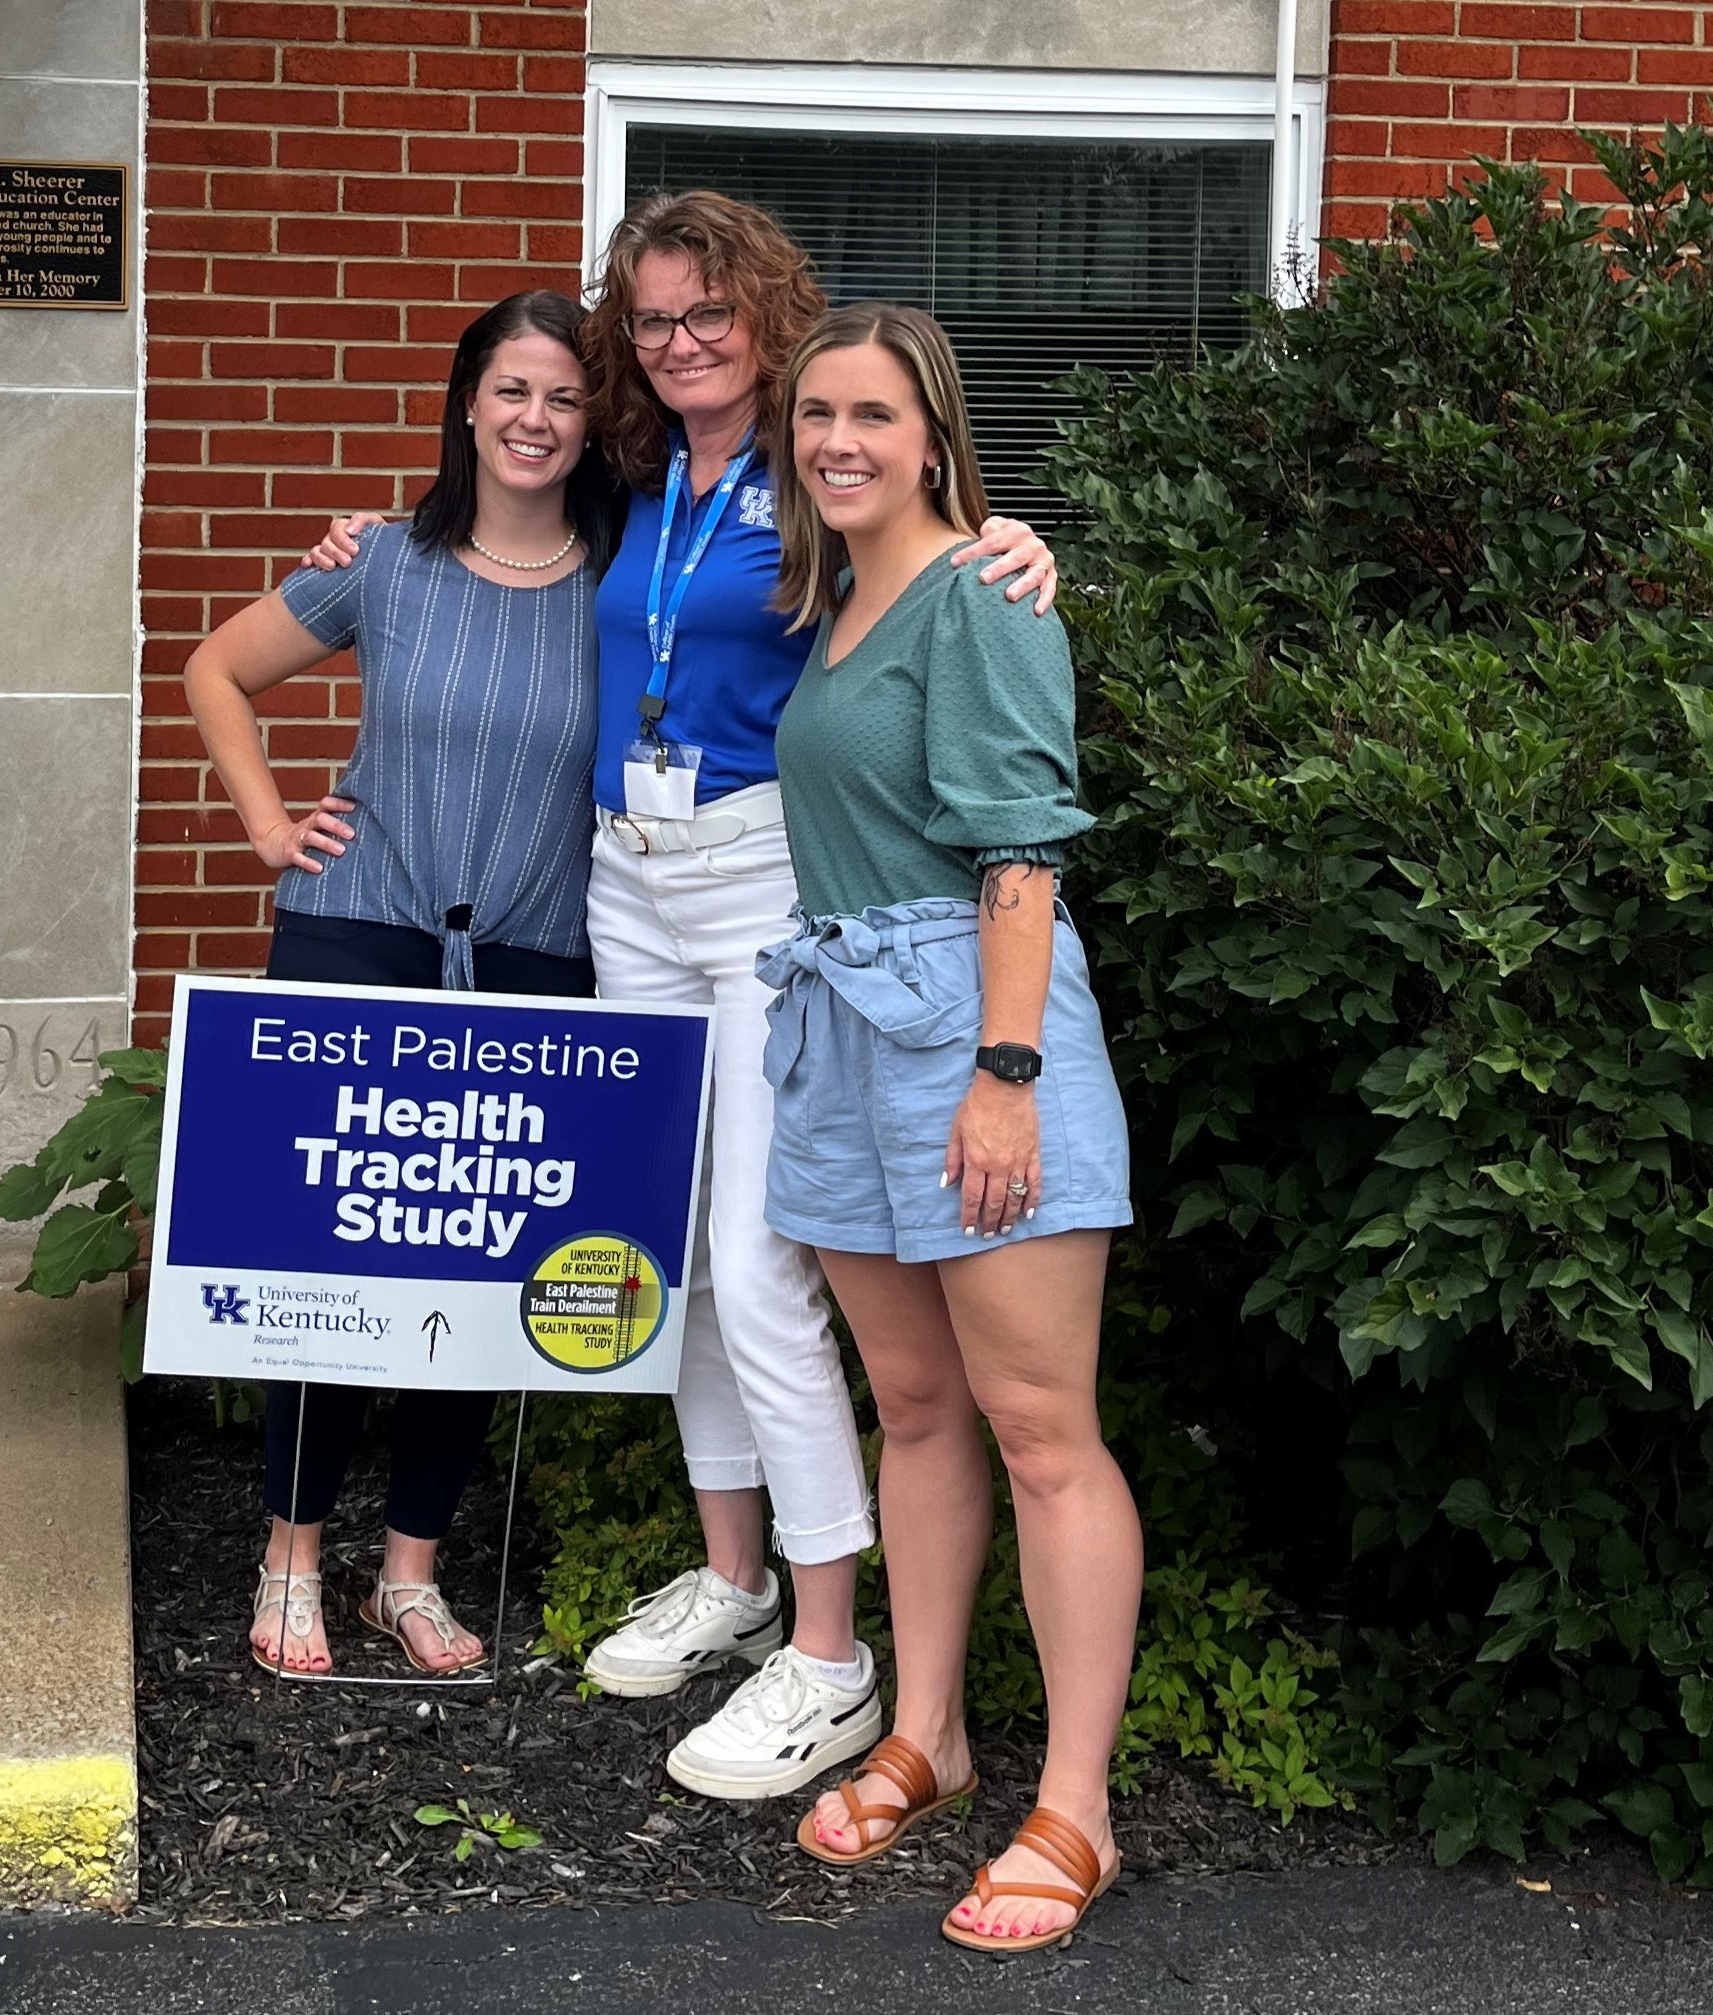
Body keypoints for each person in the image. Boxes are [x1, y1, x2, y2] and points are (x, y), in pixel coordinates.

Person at [308, 191, 1059, 1796]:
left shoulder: (814, 468)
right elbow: (487, 501)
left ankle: (831, 1649)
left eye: (707, 313)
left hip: (757, 876)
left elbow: (935, 556)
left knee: (754, 1252)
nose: (680, 342)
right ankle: (735, 1574)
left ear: (765, 310)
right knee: (677, 1245)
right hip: (620, 876)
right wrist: (360, 542)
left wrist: (1018, 539)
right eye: (648, 320)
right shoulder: (628, 468)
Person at [760, 301, 1137, 1955]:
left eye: (870, 414)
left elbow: (1021, 854)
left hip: (968, 1021)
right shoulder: (835, 602)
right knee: (913, 1409)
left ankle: (1076, 1809)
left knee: (1039, 1426)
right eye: (814, 412)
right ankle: (929, 1729)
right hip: (839, 1024)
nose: (836, 438)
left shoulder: (980, 594)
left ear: (932, 438)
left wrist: (1002, 1069)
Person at [184, 290, 619, 1679]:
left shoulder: (626, 584)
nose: (534, 418)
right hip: (356, 930)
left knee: (483, 1278)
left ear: (591, 418)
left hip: (534, 956)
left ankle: (409, 1573)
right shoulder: (382, 558)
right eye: (510, 390)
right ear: (466, 404)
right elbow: (217, 668)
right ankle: (293, 1552)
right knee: (320, 1266)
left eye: (561, 395)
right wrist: (264, 824)